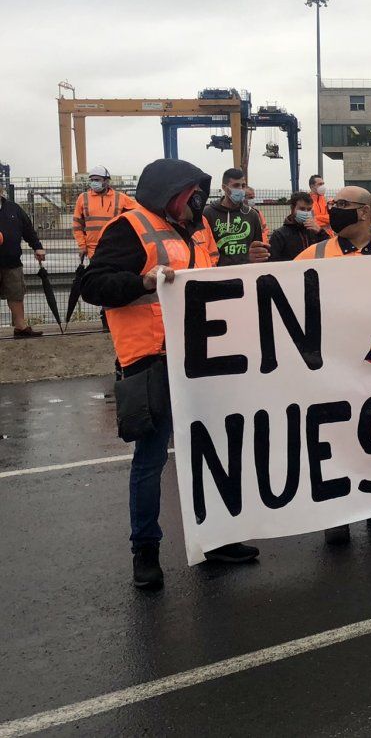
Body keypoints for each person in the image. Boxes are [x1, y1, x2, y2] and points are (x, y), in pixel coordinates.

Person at [81, 159, 265, 589]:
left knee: (212, 450)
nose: (196, 202)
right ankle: (145, 550)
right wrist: (143, 283)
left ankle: (216, 539)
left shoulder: (195, 230)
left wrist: (250, 268)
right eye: (189, 194)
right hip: (151, 360)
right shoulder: (128, 228)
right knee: (150, 460)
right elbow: (94, 286)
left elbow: (208, 282)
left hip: (201, 356)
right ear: (169, 193)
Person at [292, 187, 371, 535]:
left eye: (342, 206)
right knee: (336, 438)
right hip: (333, 366)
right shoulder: (313, 255)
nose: (333, 211)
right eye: (333, 206)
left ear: (365, 213)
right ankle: (338, 516)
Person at [0, 180, 47, 338]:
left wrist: (37, 246)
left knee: (16, 294)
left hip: (12, 262)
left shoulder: (13, 208)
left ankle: (20, 327)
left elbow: (28, 229)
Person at [203, 168, 269, 266]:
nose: (241, 190)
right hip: (219, 275)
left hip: (245, 274)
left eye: (243, 186)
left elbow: (257, 249)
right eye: (236, 186)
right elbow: (205, 250)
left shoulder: (252, 214)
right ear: (224, 188)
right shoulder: (208, 213)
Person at [73, 165, 135, 259]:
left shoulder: (120, 197)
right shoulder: (83, 198)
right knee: (97, 273)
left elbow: (138, 210)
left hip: (114, 247)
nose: (94, 183)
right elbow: (77, 225)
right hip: (93, 249)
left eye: (97, 180)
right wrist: (82, 245)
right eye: (92, 180)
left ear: (106, 181)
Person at [269, 191, 331, 261]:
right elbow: (272, 262)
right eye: (302, 209)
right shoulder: (279, 235)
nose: (306, 212)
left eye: (309, 209)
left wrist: (320, 232)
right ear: (292, 208)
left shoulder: (315, 232)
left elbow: (329, 249)